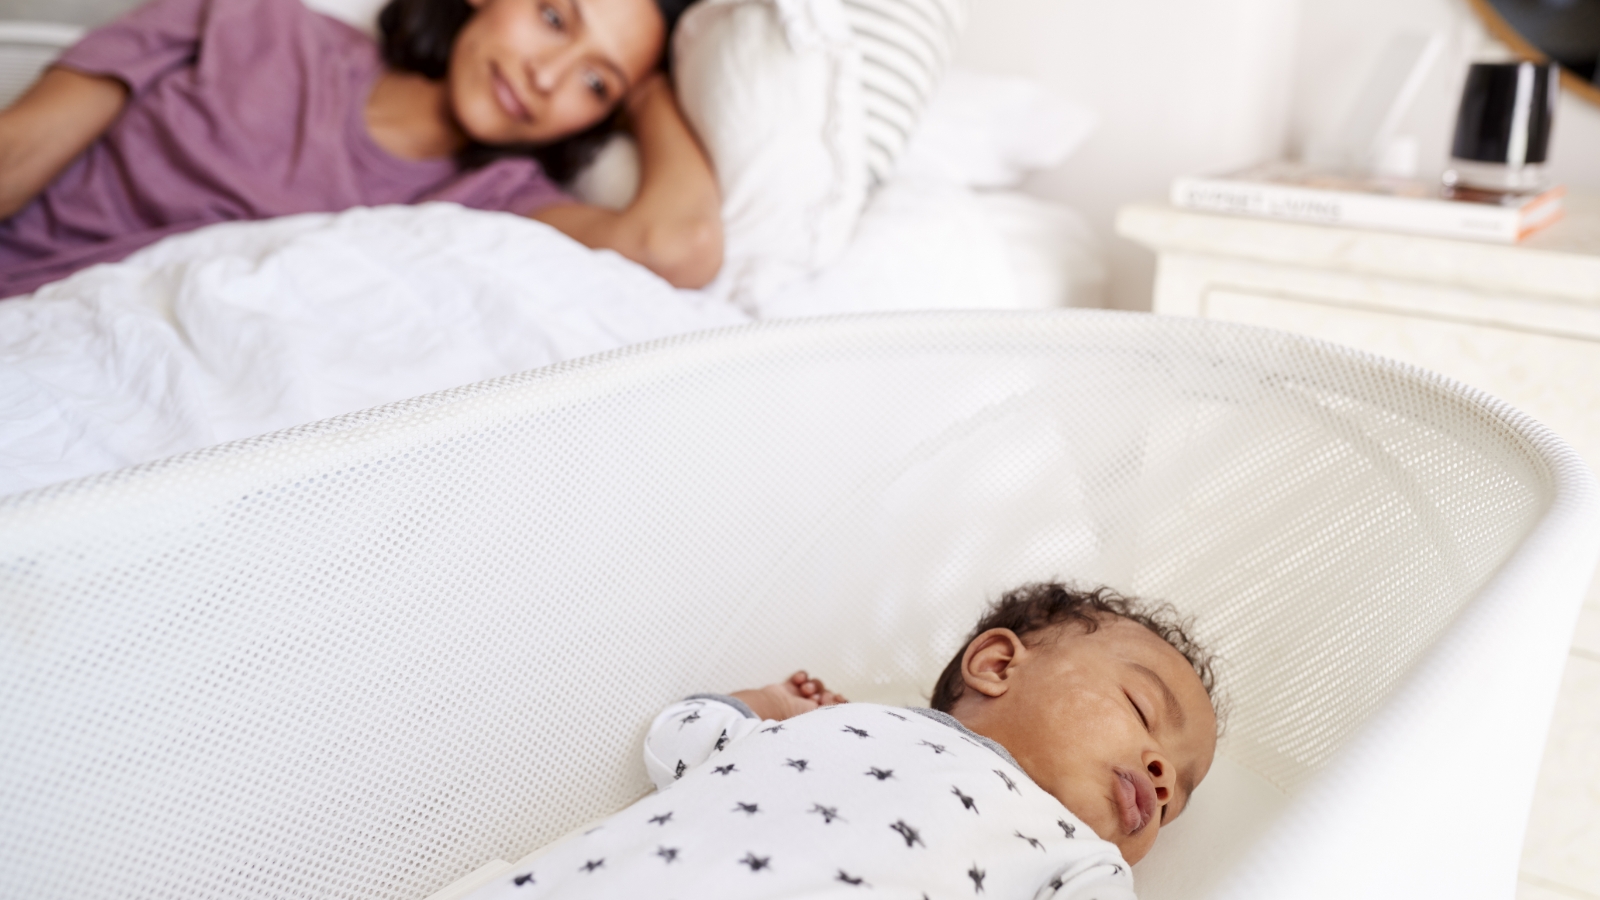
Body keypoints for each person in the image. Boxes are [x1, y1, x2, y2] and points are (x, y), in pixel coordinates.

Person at [467, 583, 1220, 900]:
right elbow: (684, 737)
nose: (1162, 779)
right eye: (1142, 708)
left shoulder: (1076, 859)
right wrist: (767, 706)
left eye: (1178, 798)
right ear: (995, 666)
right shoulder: (843, 725)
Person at [0, 0, 721, 300]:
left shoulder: (496, 201)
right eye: (555, 18)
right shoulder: (253, 23)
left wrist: (651, 94)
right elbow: (14, 150)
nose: (547, 76)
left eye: (595, 83)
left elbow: (677, 246)